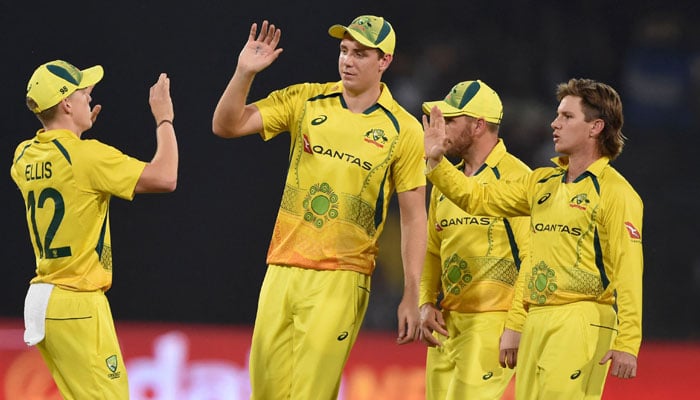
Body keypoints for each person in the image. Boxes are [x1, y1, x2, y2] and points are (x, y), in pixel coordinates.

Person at [212, 16, 427, 399]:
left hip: (342, 277)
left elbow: (413, 216)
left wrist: (413, 292)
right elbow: (226, 125)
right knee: (265, 392)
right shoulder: (307, 99)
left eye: (360, 53)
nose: (347, 60)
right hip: (282, 268)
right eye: (344, 50)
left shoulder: (404, 129)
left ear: (385, 62)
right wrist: (244, 73)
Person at [423, 78, 643, 400]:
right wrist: (437, 163)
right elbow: (477, 199)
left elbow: (629, 271)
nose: (554, 123)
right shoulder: (542, 183)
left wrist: (627, 342)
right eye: (557, 115)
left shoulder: (615, 192)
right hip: (537, 318)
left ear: (596, 127)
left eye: (567, 117)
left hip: (581, 317)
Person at [11, 60, 178, 399]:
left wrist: (75, 133)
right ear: (66, 104)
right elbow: (165, 176)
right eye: (83, 91)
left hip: (44, 299)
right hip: (77, 304)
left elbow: (61, 166)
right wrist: (164, 117)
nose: (90, 96)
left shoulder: (23, 156)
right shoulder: (88, 157)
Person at [417, 80, 530, 400]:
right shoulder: (444, 180)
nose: (442, 129)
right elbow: (432, 249)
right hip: (446, 326)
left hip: (491, 326)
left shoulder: (517, 178)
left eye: (450, 121)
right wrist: (425, 302)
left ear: (478, 125)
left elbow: (532, 258)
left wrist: (516, 325)